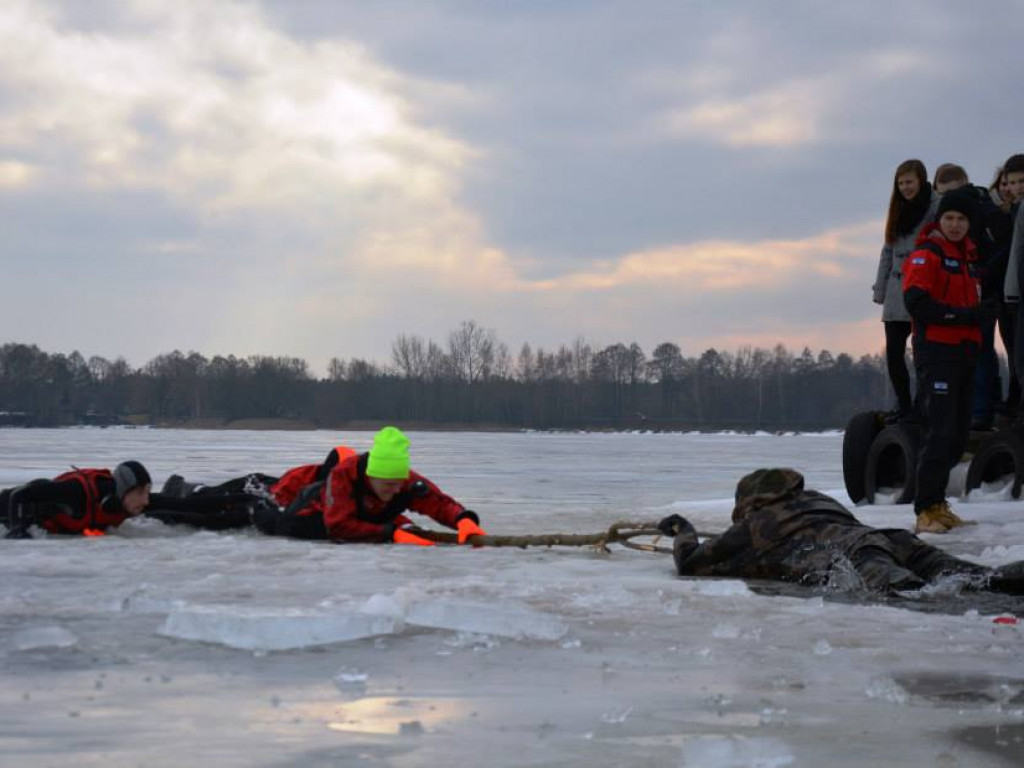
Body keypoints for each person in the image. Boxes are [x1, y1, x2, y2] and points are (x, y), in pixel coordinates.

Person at [657, 468, 1024, 594]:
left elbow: (691, 562)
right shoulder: (816, 500)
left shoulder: (757, 525)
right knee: (980, 579)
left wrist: (681, 528)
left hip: (852, 557)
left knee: (919, 598)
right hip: (892, 539)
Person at [903, 187, 993, 533]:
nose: (955, 225)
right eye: (949, 218)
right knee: (939, 432)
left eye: (961, 219)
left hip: (966, 355)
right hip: (938, 354)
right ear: (939, 221)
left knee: (957, 436)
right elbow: (917, 303)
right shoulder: (928, 255)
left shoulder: (969, 259)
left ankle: (938, 503)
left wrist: (984, 315)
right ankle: (925, 509)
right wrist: (965, 316)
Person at [316, 426, 486, 545]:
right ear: (371, 476)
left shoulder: (404, 481)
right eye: (389, 484)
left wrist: (463, 519)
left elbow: (437, 503)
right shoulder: (342, 476)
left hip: (374, 517)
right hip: (310, 520)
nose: (397, 490)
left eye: (400, 483)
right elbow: (338, 527)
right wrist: (390, 534)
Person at [873, 159, 937, 422]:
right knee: (894, 354)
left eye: (909, 182)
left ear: (920, 181)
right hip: (897, 291)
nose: (905, 188)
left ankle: (925, 405)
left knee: (924, 354)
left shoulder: (935, 206)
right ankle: (904, 404)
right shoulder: (897, 211)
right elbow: (887, 250)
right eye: (900, 183)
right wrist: (880, 289)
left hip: (923, 288)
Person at [1, 461, 153, 539]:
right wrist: (18, 529)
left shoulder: (130, 502)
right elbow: (19, 495)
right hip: (9, 505)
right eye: (140, 493)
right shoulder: (75, 494)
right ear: (123, 490)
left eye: (147, 493)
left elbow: (167, 504)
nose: (146, 501)